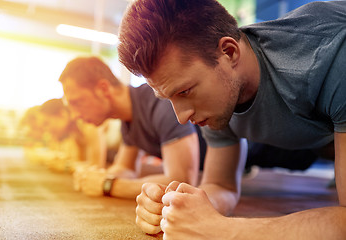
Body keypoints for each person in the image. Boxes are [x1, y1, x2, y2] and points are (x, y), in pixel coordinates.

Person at [117, 0, 346, 239]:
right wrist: (178, 207)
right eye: (168, 98)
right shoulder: (218, 95)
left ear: (229, 52)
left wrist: (222, 230)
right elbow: (221, 186)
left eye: (184, 92)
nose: (182, 117)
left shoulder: (330, 55)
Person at [58, 56, 201, 200]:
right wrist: (96, 177)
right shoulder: (128, 118)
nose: (75, 116)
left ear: (103, 89)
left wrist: (108, 185)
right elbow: (126, 168)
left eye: (77, 102)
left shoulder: (160, 102)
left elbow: (182, 183)